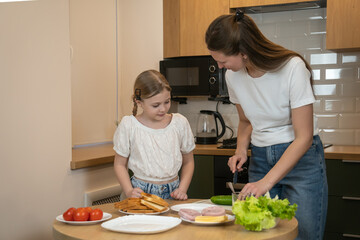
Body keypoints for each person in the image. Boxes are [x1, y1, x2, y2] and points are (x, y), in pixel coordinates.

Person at [205, 10, 328, 240]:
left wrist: (265, 182)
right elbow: (245, 121)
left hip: (300, 160)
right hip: (261, 157)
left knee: (304, 234)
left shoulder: (292, 68)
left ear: (243, 53)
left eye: (222, 61)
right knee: (261, 234)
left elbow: (304, 137)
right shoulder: (233, 76)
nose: (220, 67)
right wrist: (241, 150)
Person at [113, 69, 195, 200]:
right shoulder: (129, 125)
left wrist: (182, 189)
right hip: (140, 193)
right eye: (156, 105)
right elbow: (119, 164)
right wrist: (129, 191)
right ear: (139, 102)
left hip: (173, 192)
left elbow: (189, 162)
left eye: (167, 102)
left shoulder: (179, 123)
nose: (163, 109)